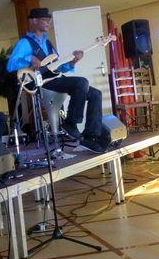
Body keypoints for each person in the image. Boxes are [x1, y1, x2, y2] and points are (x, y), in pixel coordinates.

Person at [7, 8, 106, 153]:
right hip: (41, 82)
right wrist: (29, 58)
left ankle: (91, 137)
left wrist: (72, 62)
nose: (48, 22)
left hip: (54, 79)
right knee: (82, 82)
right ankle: (71, 122)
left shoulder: (48, 44)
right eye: (45, 20)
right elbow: (11, 65)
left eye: (49, 20)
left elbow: (58, 67)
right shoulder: (24, 43)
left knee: (96, 94)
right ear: (33, 21)